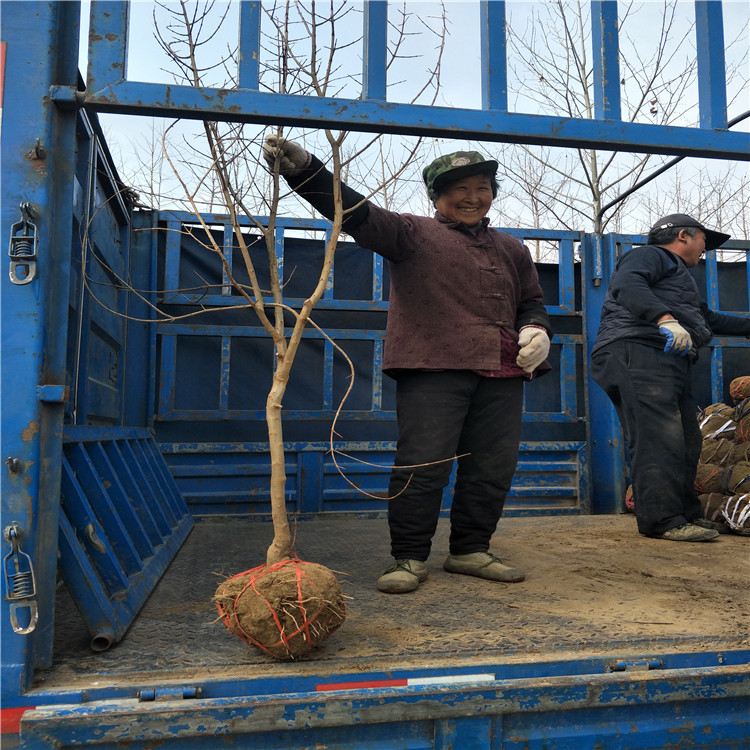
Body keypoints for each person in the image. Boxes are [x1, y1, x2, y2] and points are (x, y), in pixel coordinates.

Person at [263, 136, 553, 592]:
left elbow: (531, 302)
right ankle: (409, 557)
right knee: (423, 464)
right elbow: (357, 213)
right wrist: (305, 171)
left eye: (482, 187)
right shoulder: (411, 232)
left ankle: (470, 550)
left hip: (502, 370)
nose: (472, 197)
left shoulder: (512, 248)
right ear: (436, 197)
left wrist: (537, 330)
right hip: (432, 366)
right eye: (458, 189)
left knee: (494, 465)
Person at [590, 213, 750, 542]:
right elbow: (626, 285)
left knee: (687, 439)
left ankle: (685, 514)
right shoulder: (650, 255)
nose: (706, 250)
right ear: (683, 237)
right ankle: (662, 520)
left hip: (664, 358)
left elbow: (705, 318)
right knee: (657, 436)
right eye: (704, 241)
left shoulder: (678, 280)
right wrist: (663, 318)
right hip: (638, 350)